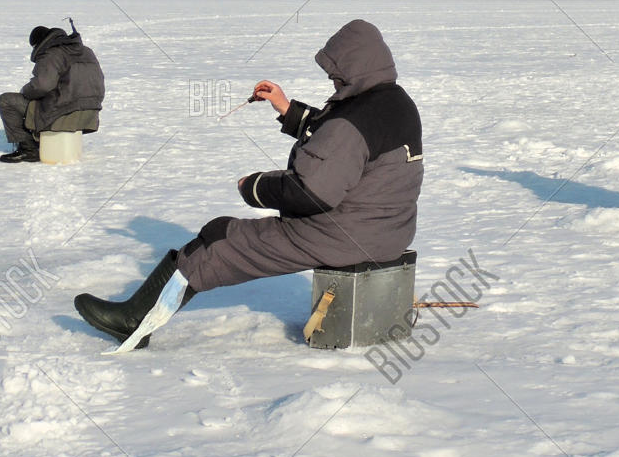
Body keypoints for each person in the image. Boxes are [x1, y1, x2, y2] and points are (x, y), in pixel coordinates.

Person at [74, 20, 424, 351]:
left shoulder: (352, 119)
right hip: (387, 232)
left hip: (340, 234)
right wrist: (286, 108)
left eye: (336, 74)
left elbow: (311, 192)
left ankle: (134, 320)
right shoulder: (394, 103)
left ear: (353, 66)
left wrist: (254, 187)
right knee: (227, 235)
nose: (333, 80)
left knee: (218, 239)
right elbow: (336, 142)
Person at [0, 23, 104, 163]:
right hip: (90, 113)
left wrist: (25, 91)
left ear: (38, 44)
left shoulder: (52, 53)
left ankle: (29, 150)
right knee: (42, 101)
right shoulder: (86, 51)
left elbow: (42, 85)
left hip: (64, 111)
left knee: (6, 101)